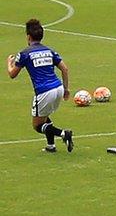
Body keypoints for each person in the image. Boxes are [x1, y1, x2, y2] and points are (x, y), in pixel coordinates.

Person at [8, 19, 72, 152]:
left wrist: (9, 63)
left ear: (28, 36)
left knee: (37, 125)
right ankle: (51, 146)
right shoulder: (49, 51)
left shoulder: (24, 53)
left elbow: (12, 74)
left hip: (44, 91)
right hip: (58, 88)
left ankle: (63, 134)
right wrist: (66, 89)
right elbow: (65, 69)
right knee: (45, 116)